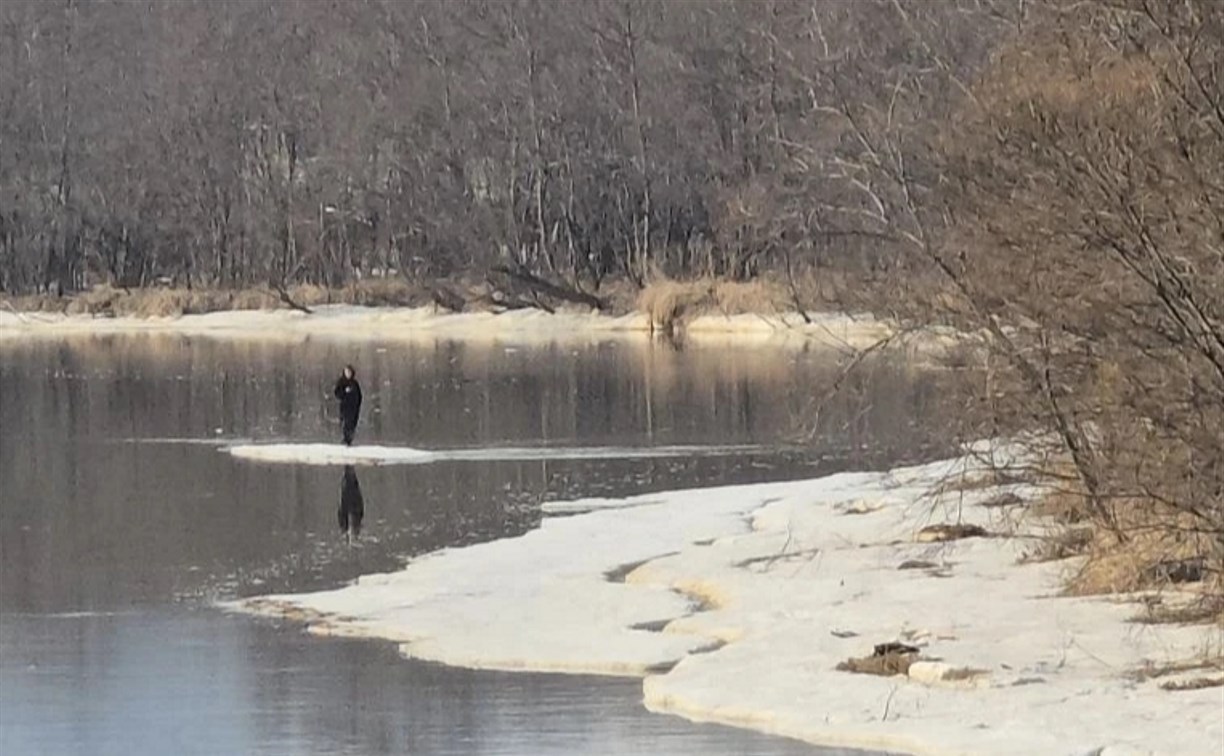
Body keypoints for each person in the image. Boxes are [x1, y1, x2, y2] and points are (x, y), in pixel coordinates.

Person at [333, 364, 362, 446]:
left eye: (349, 372)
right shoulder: (341, 382)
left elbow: (359, 395)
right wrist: (345, 392)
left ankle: (349, 439)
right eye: (346, 372)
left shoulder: (355, 383)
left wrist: (358, 405)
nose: (348, 374)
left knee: (352, 424)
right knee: (346, 423)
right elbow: (337, 393)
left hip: (354, 408)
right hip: (345, 407)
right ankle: (346, 439)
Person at [338, 465, 365, 540]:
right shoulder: (358, 517)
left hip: (350, 499)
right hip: (351, 499)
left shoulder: (357, 517)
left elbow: (341, 512)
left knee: (349, 486)